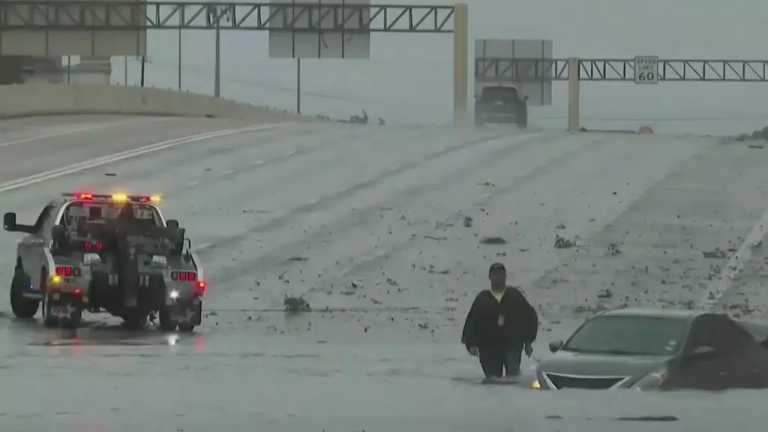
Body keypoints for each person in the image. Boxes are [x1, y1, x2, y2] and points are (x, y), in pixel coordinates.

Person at [461, 263, 538, 379]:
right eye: (494, 274)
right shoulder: (482, 298)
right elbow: (472, 322)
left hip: (512, 345)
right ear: (489, 277)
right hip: (488, 348)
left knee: (513, 379)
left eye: (500, 274)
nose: (497, 277)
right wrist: (471, 344)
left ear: (505, 276)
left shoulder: (515, 296)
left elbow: (530, 317)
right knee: (493, 381)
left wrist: (528, 341)